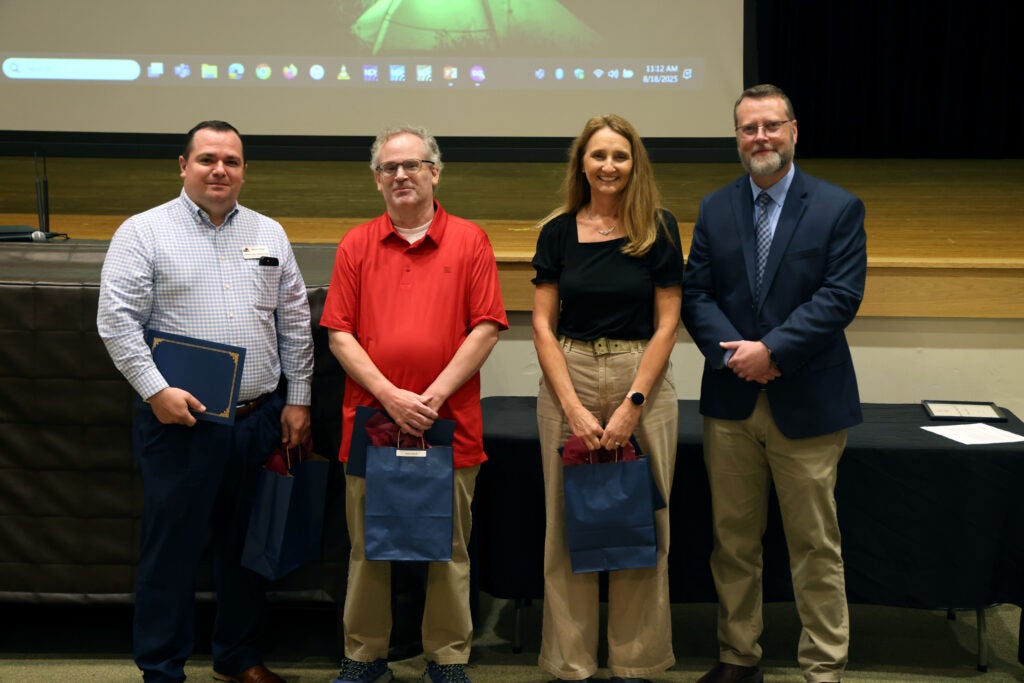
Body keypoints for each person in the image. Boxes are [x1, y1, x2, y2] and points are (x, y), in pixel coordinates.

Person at [97, 120, 314, 683]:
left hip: (257, 418)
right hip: (180, 422)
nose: (220, 170)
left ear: (245, 171)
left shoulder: (271, 233)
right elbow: (117, 323)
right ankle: (162, 668)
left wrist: (299, 400)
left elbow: (293, 322)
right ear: (183, 165)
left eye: (232, 161)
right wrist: (156, 390)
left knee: (247, 550)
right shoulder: (142, 232)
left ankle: (238, 657)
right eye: (208, 159)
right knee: (171, 552)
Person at [681, 84, 867, 683]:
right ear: (736, 138)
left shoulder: (838, 207)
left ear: (793, 130)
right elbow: (698, 294)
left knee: (814, 545)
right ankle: (739, 656)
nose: (759, 137)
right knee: (733, 542)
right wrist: (740, 358)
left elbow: (841, 296)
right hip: (732, 402)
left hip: (807, 400)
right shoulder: (715, 208)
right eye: (747, 128)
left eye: (769, 126)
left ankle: (823, 666)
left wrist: (774, 352)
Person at [320, 126, 508, 683]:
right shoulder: (356, 243)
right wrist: (391, 396)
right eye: (389, 168)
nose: (401, 175)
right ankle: (364, 655)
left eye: (413, 165)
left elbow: (485, 328)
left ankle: (447, 658)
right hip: (372, 420)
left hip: (447, 423)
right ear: (376, 179)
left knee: (448, 549)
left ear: (435, 172)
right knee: (368, 547)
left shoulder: (470, 240)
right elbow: (339, 335)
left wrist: (430, 397)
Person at [531, 114, 684, 683]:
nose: (609, 166)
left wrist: (632, 404)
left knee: (643, 527)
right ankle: (570, 665)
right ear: (582, 165)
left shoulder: (658, 228)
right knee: (565, 525)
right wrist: (571, 406)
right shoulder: (557, 231)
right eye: (598, 155)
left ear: (634, 163)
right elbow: (543, 326)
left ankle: (635, 664)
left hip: (638, 374)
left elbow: (668, 323)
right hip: (566, 375)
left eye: (620, 155)